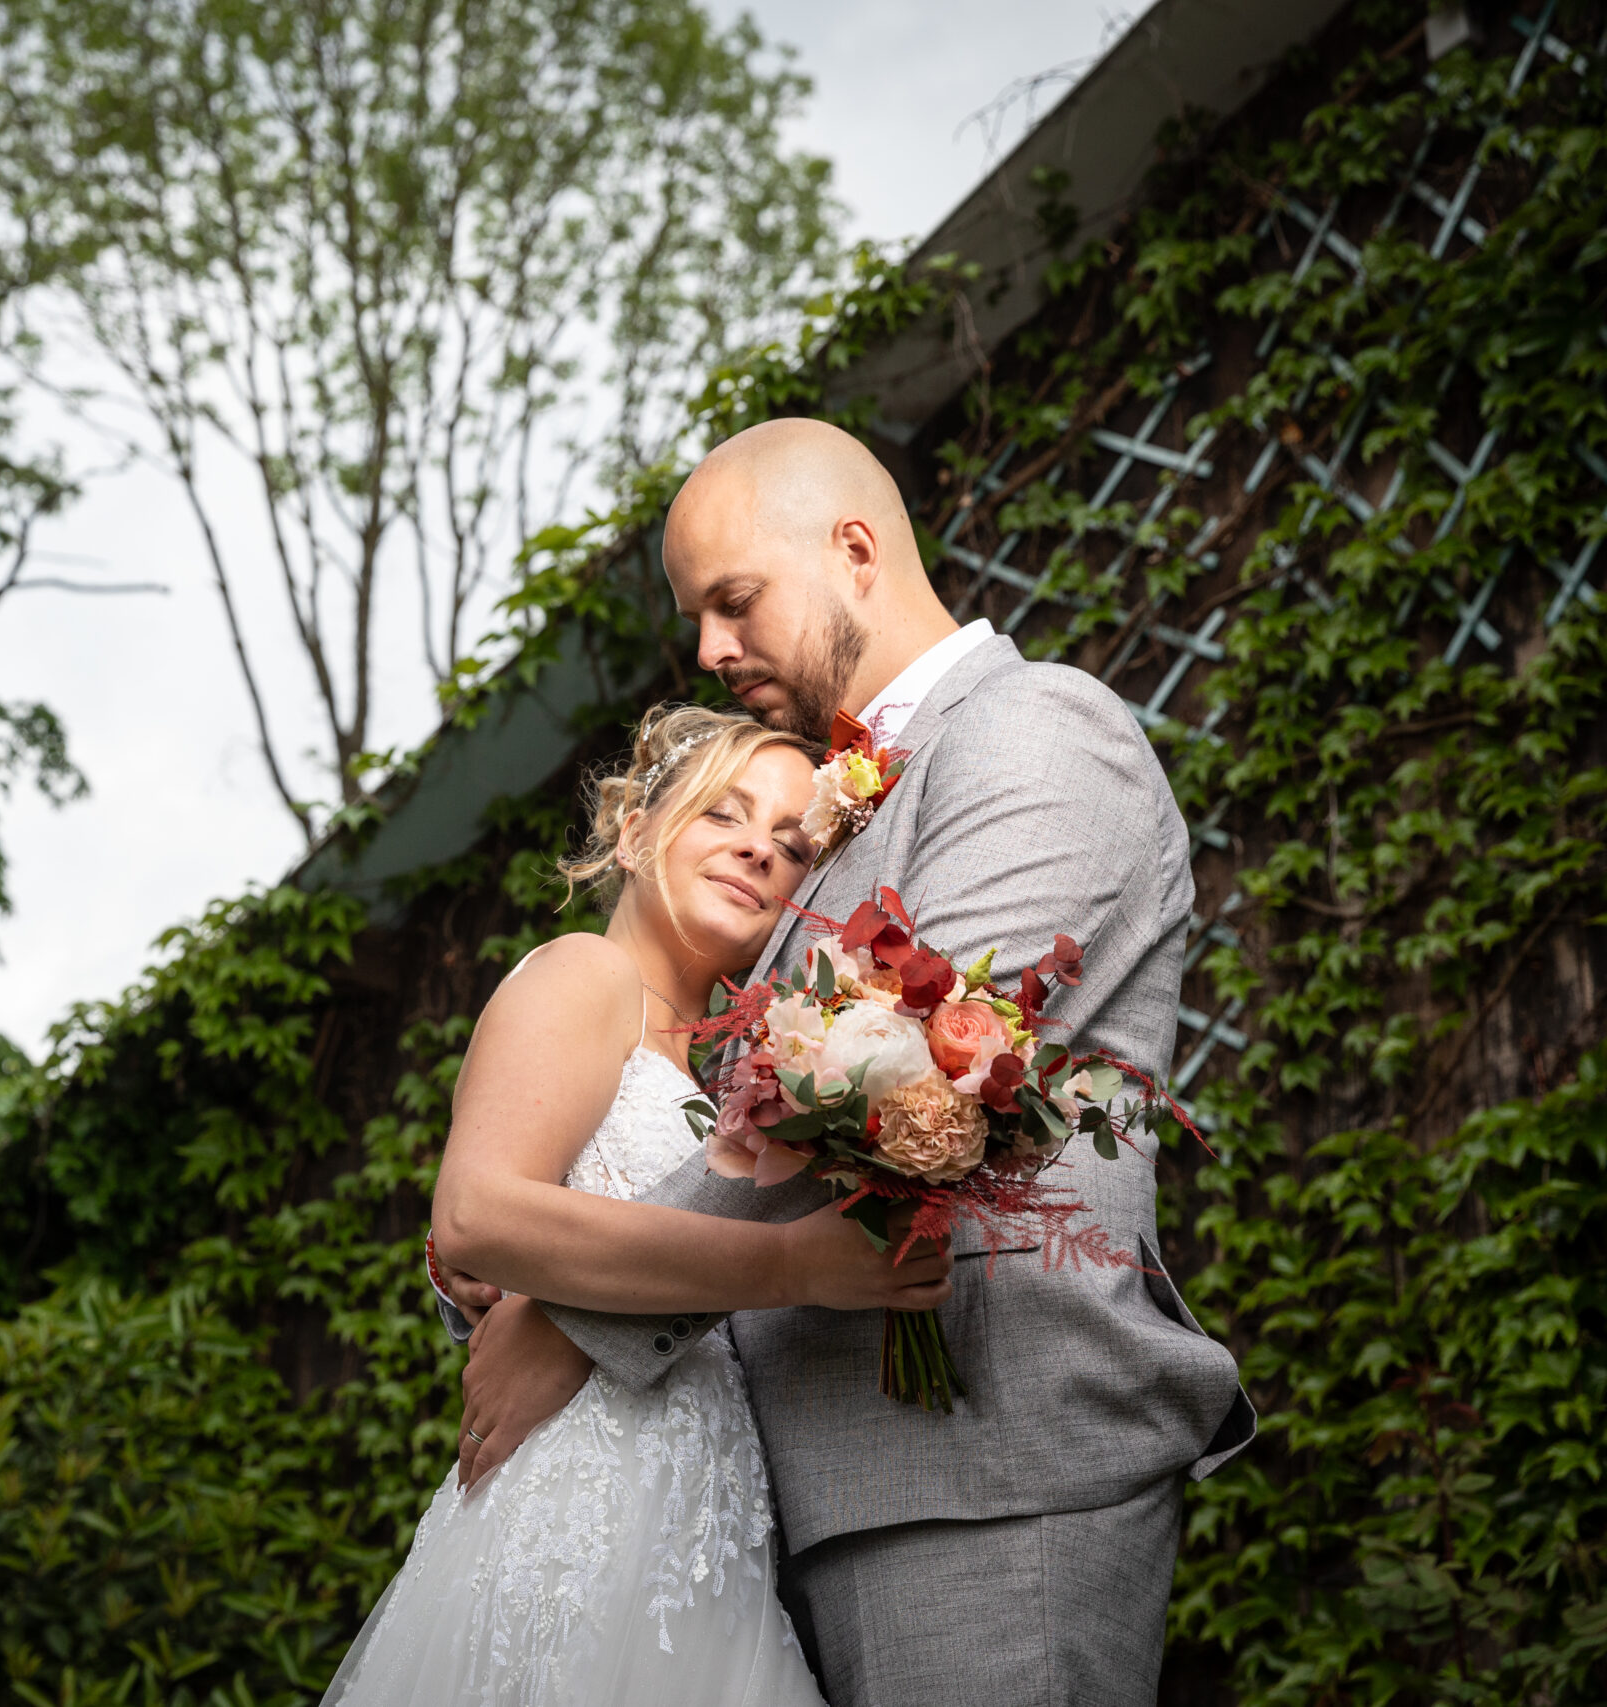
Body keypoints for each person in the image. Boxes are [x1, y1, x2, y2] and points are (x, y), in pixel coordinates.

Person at [430, 419, 1256, 1707]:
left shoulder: (1036, 731)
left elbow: (893, 1092)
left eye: (734, 600)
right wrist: (506, 1267)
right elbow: (713, 1128)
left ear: (855, 551)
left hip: (977, 1484)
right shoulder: (828, 824)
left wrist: (575, 1317)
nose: (708, 648)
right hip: (773, 1513)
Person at [321, 705, 952, 1707]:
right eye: (723, 815)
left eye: (792, 846)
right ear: (633, 832)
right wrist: (796, 1268)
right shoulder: (586, 973)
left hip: (705, 1514)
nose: (757, 847)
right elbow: (478, 1215)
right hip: (586, 1497)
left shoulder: (748, 1071)